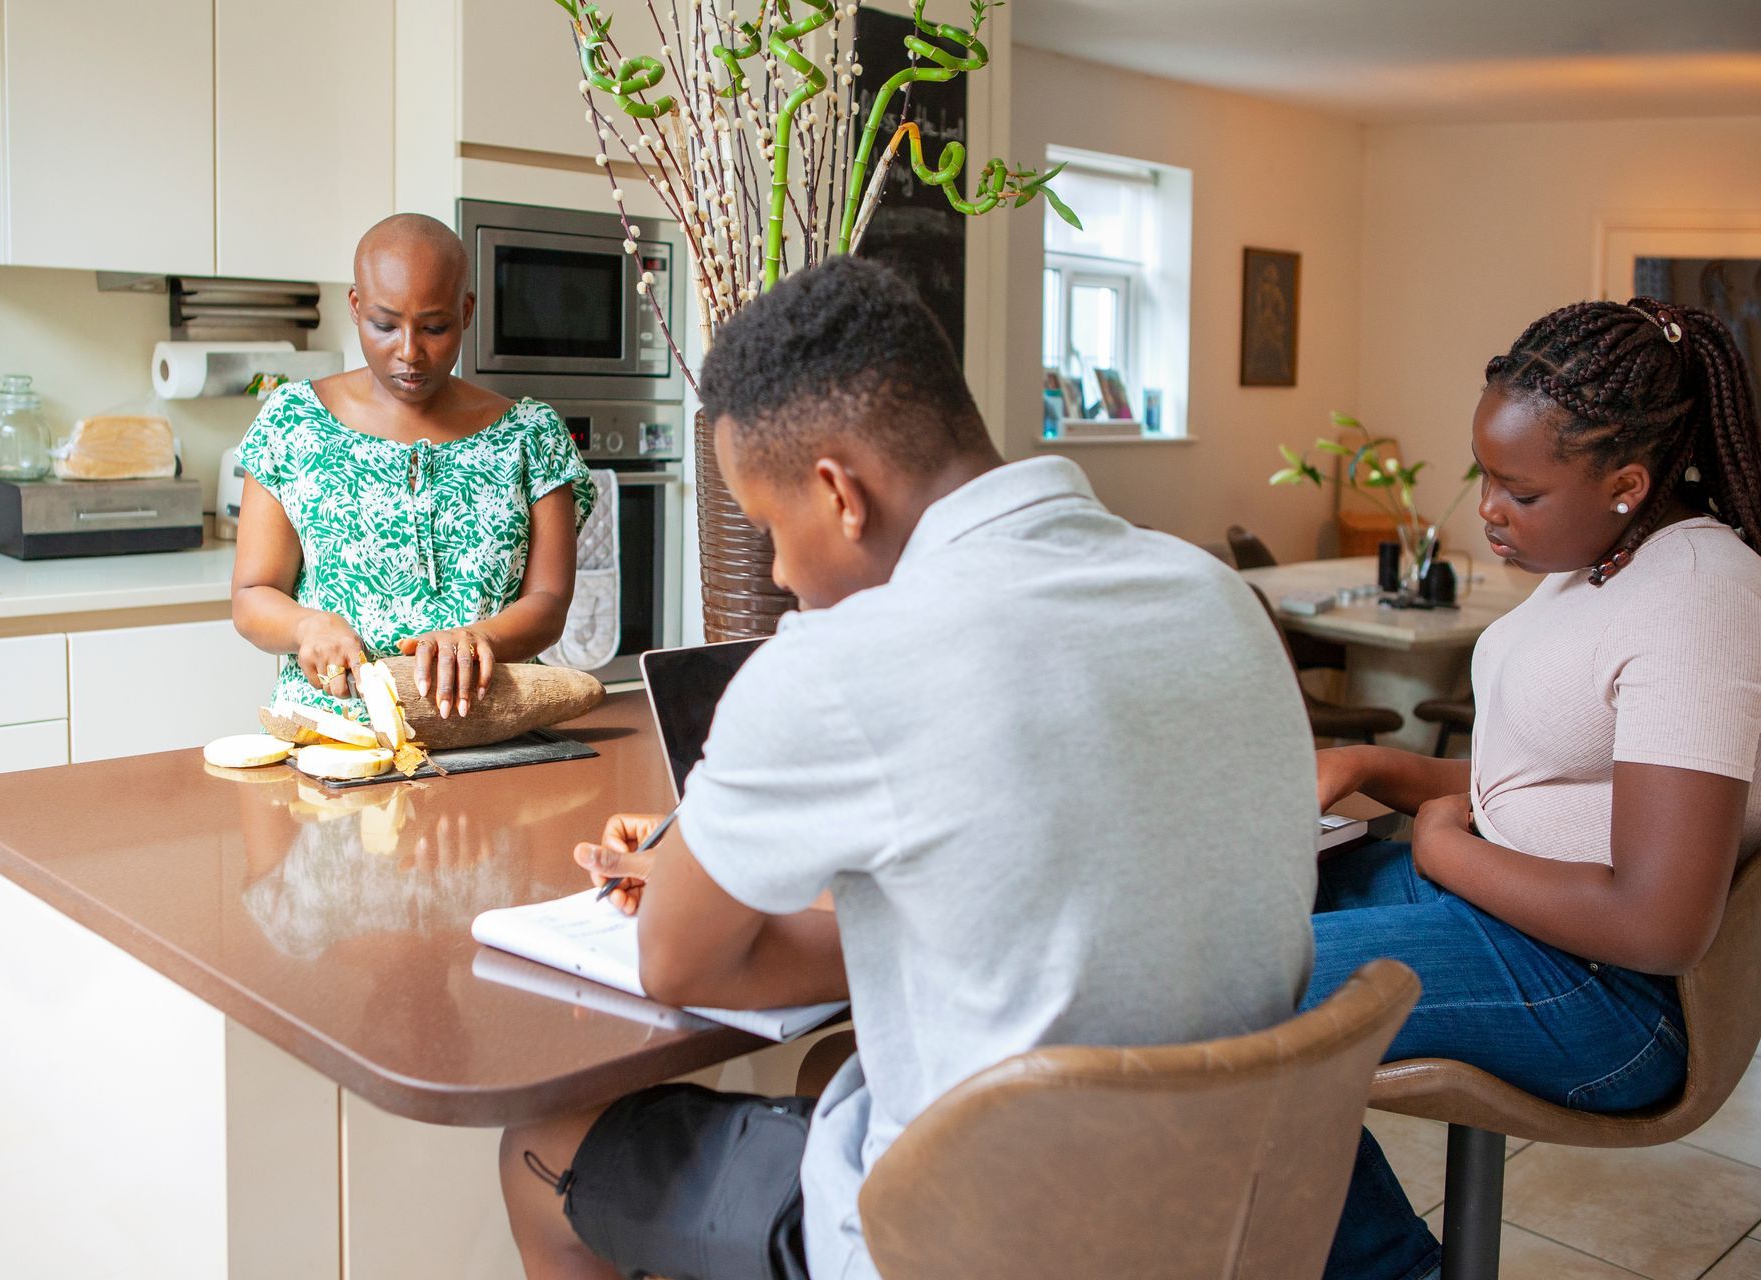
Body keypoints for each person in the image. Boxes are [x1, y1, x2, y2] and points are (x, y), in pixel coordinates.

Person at [497, 256, 1321, 1280]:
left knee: (541, 1152)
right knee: (834, 1065)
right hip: (1220, 1213)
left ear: (840, 493)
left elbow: (680, 962)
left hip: (977, 1241)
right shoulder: (1218, 596)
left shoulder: (838, 662)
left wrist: (693, 886)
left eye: (768, 529)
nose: (782, 573)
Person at [1312, 298, 1761, 1280]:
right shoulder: (1603, 558)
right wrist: (1375, 768)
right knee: (1209, 918)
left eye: (1518, 488)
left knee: (1227, 984)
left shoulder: (1697, 592)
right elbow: (1550, 783)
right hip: (1513, 913)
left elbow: (1661, 919)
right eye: (1486, 477)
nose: (1488, 508)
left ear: (1626, 481)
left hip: (1612, 990)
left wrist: (1442, 848)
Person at [231, 213, 593, 722]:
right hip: (333, 736)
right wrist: (307, 627)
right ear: (356, 307)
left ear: (466, 312)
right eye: (384, 324)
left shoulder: (531, 435)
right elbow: (252, 595)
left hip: (491, 733)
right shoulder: (293, 423)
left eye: (435, 327)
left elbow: (550, 601)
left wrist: (479, 637)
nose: (409, 352)